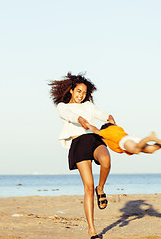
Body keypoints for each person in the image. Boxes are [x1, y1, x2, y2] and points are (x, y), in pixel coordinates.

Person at [49, 72, 115, 239]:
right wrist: (81, 120)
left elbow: (100, 114)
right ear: (72, 90)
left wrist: (109, 117)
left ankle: (101, 188)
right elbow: (70, 116)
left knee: (106, 160)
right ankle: (92, 230)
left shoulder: (88, 106)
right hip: (79, 144)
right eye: (78, 91)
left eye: (84, 93)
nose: (81, 95)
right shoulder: (63, 107)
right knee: (87, 187)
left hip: (94, 140)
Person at [85, 122, 161, 155]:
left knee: (136, 150)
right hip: (132, 138)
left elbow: (96, 131)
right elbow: (111, 120)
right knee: (151, 150)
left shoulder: (106, 133)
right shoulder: (117, 128)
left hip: (124, 142)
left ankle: (150, 137)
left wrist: (88, 125)